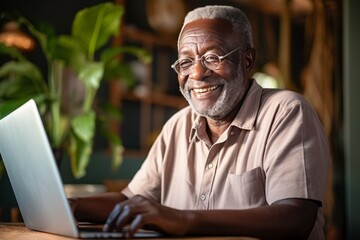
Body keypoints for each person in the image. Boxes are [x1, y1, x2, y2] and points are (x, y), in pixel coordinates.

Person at [70, 5, 331, 239]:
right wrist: (72, 205)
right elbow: (130, 199)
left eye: (212, 57)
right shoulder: (177, 126)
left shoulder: (287, 112)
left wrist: (182, 219)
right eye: (186, 62)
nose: (196, 74)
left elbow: (295, 218)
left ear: (247, 60)